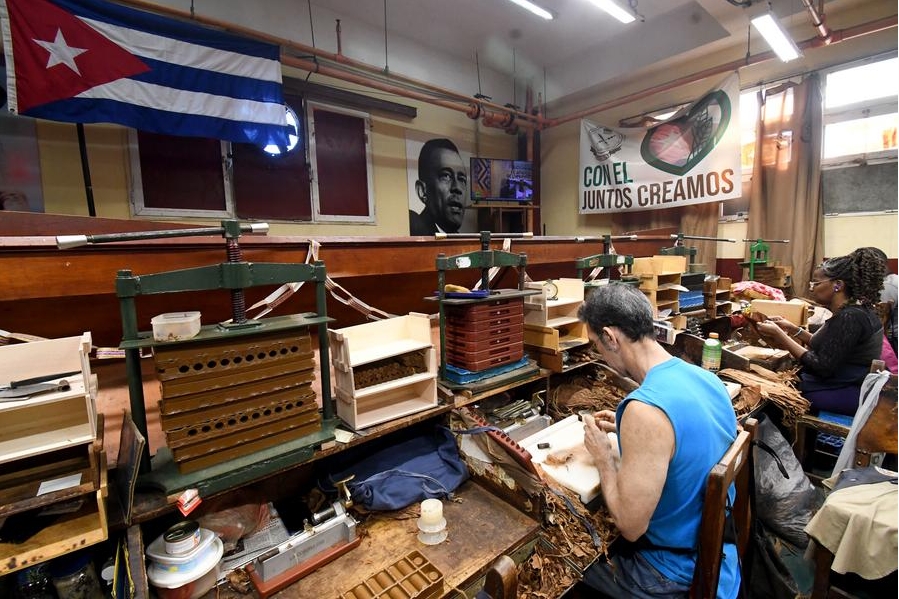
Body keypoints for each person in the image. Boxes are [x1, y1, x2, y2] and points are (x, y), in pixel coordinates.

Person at [578, 283, 739, 599]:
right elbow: (680, 440)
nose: (599, 352)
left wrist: (604, 458)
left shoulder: (645, 410)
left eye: (596, 344)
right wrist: (627, 429)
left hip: (671, 573)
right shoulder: (706, 378)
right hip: (721, 555)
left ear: (611, 337)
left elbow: (630, 525)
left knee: (574, 567)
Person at [756, 247, 886, 415]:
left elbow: (821, 367)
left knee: (773, 398)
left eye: (816, 283)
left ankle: (789, 441)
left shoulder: (851, 317)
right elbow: (831, 347)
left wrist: (780, 336)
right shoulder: (853, 310)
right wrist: (793, 329)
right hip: (845, 383)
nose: (811, 288)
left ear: (838, 285)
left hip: (845, 389)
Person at [409, 138, 469, 235]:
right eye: (446, 176)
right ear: (422, 191)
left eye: (461, 179)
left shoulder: (458, 240)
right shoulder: (415, 228)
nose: (457, 188)